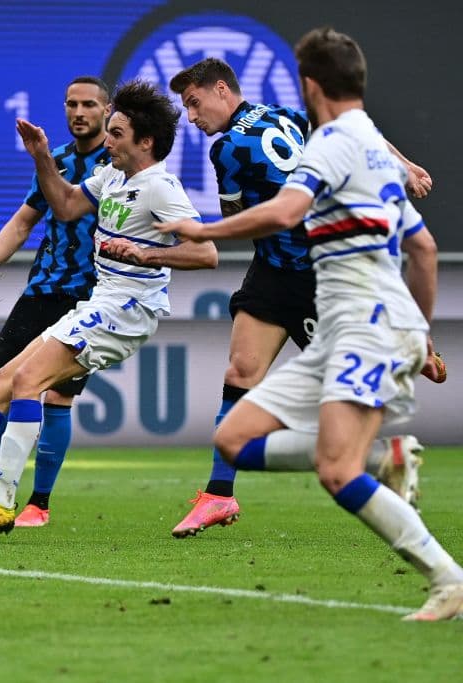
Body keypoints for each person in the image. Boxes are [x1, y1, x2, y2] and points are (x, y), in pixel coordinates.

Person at [155, 27, 463, 620]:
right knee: (234, 433)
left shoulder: (282, 145)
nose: (191, 117)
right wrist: (420, 329)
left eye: (194, 103)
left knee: (333, 465)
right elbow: (421, 248)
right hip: (338, 295)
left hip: (332, 295)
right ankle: (374, 462)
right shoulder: (335, 133)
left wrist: (202, 230)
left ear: (312, 84)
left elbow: (278, 212)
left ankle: (442, 570)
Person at [0, 80, 218, 532]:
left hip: (126, 310)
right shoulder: (112, 175)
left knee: (31, 381)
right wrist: (41, 157)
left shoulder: (159, 187)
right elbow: (69, 205)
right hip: (100, 303)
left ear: (145, 142)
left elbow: (205, 253)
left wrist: (150, 254)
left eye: (117, 134)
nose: (107, 141)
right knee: (3, 381)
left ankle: (4, 498)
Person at [0, 76, 111, 528]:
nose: (78, 113)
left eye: (88, 105)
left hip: (91, 293)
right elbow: (23, 222)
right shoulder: (55, 159)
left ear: (107, 110)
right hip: (42, 287)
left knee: (57, 394)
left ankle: (38, 503)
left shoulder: (116, 164)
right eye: (71, 105)